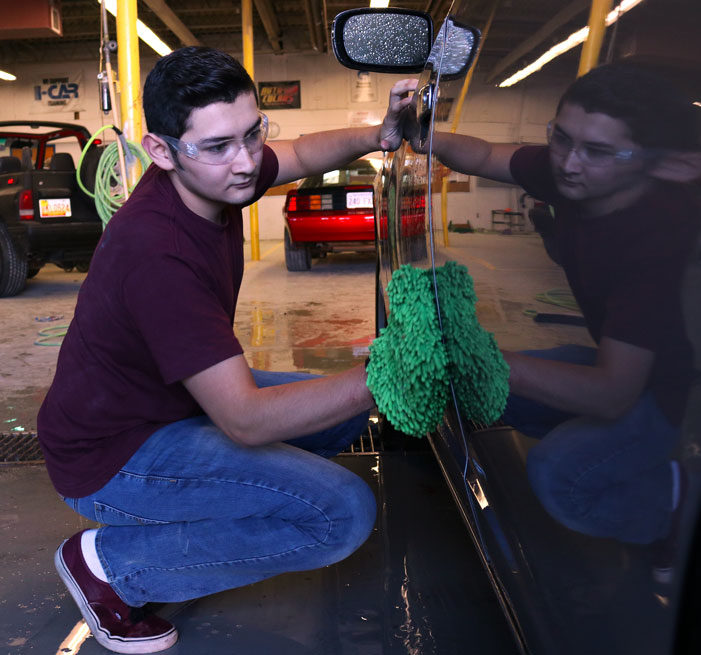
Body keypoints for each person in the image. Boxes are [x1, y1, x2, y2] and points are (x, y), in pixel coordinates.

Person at [36, 47, 418, 653]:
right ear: (162, 151)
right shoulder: (158, 254)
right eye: (218, 146)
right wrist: (387, 369)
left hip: (165, 407)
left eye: (252, 134)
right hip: (111, 455)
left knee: (337, 413)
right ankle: (111, 565)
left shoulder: (214, 175)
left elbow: (295, 155)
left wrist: (380, 135)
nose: (245, 164)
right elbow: (244, 420)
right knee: (341, 513)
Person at [419, 62, 701, 573]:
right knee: (479, 390)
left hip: (684, 399)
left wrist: (472, 350)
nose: (569, 164)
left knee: (561, 475)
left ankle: (675, 509)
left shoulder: (661, 241)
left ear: (663, 165)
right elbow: (487, 154)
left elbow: (612, 392)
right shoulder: (580, 177)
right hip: (630, 365)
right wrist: (426, 138)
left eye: (597, 151)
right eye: (561, 138)